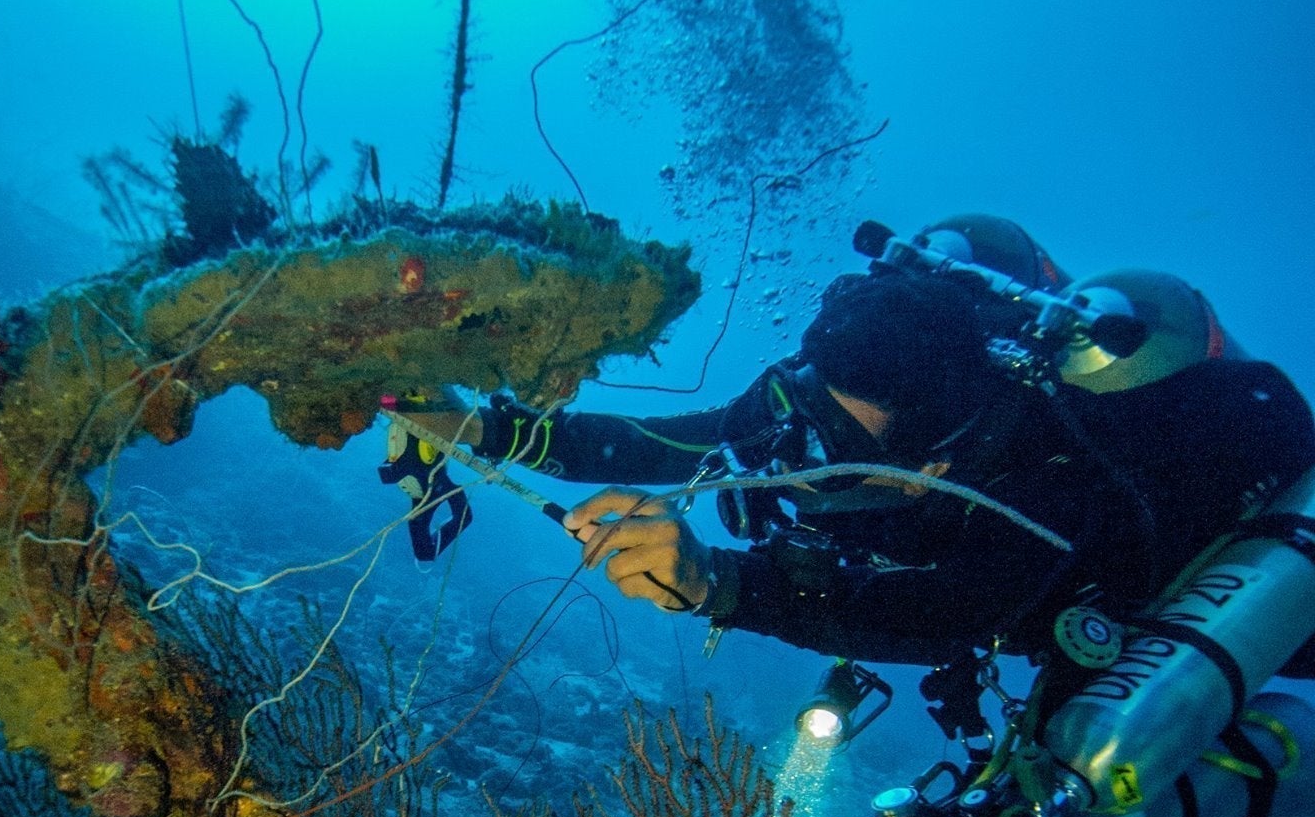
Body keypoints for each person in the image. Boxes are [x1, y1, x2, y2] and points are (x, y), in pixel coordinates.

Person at [420, 215, 1315, 680]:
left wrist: (716, 584)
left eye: (835, 431)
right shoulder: (805, 395)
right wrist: (480, 427)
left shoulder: (1041, 485)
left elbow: (953, 615)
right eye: (800, 392)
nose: (790, 439)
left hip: (1216, 591)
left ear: (928, 461)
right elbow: (653, 442)